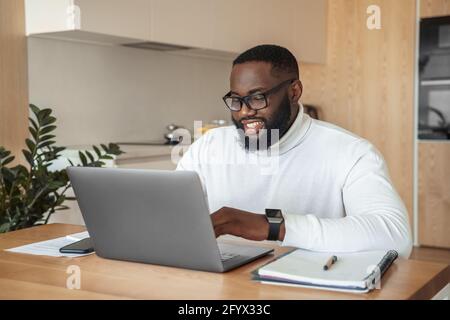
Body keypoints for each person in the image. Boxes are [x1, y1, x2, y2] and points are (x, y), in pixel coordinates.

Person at [176, 44, 412, 258]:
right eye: (236, 100)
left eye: (257, 98)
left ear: (294, 91)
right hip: (223, 284)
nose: (244, 112)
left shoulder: (352, 152)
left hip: (309, 285)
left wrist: (272, 225)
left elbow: (395, 238)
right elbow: (171, 217)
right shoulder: (208, 147)